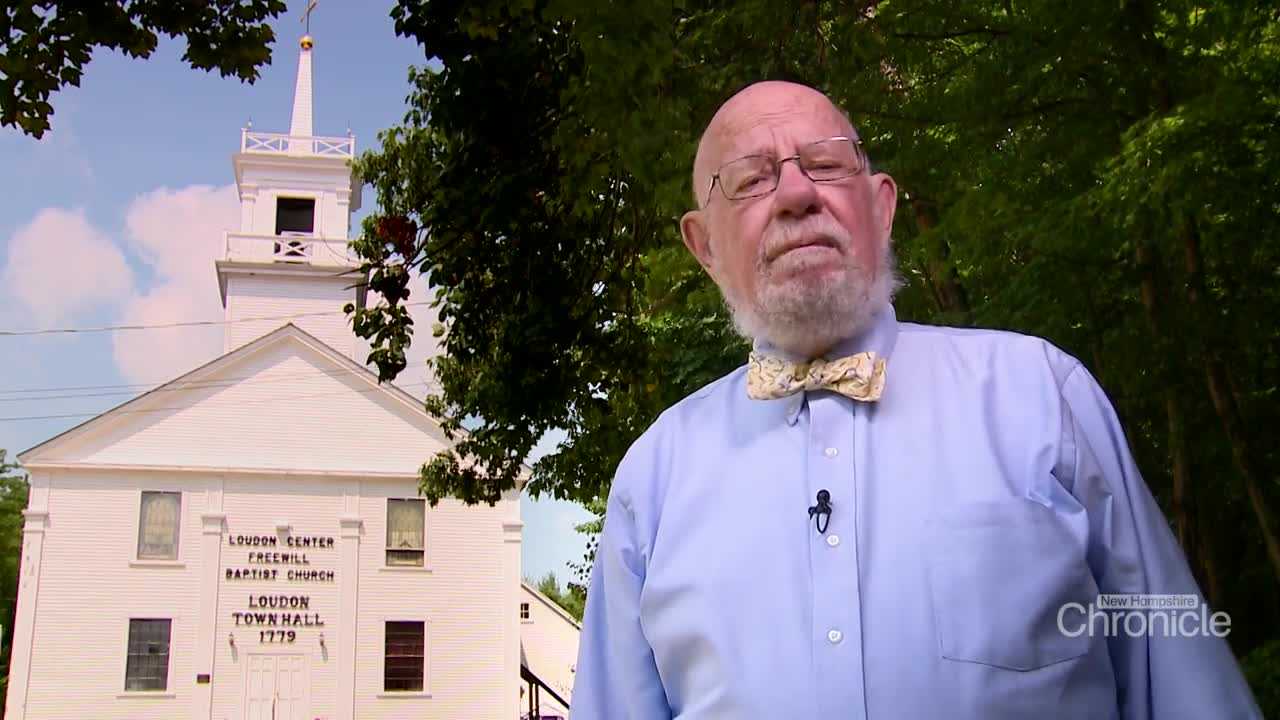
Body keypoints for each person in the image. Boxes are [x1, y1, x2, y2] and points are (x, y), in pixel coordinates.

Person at [569, 80, 1261, 719]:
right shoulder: (652, 482)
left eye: (827, 164)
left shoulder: (1042, 397)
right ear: (704, 248)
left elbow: (1184, 684)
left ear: (881, 207)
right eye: (750, 180)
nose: (795, 194)